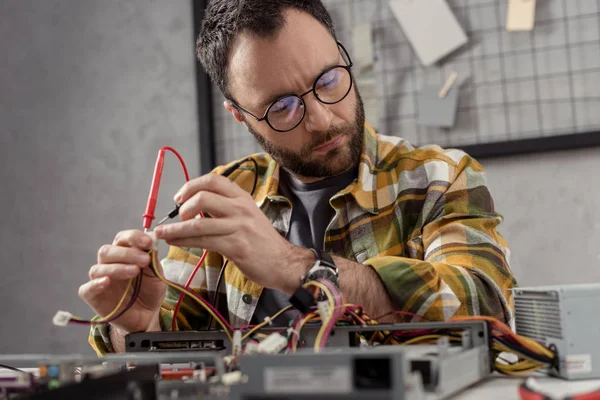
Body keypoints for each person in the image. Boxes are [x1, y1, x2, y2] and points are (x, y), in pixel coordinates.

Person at [81, 0, 517, 355]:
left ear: (342, 53)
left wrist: (298, 267)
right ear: (240, 116)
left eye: (328, 79)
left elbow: (486, 308)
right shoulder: (223, 200)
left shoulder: (439, 177)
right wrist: (138, 327)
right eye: (282, 107)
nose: (323, 118)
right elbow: (171, 363)